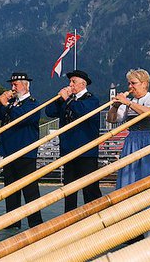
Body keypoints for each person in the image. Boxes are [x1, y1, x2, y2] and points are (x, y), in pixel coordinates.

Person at [0, 72, 43, 229]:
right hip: (9, 152)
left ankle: (35, 223)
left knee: (30, 190)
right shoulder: (10, 103)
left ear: (25, 86)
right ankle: (12, 222)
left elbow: (23, 118)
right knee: (10, 190)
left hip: (25, 153)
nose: (12, 87)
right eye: (12, 85)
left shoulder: (32, 103)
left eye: (15, 85)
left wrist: (7, 105)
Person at [45, 70, 101, 213]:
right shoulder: (67, 100)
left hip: (86, 151)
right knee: (69, 189)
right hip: (68, 150)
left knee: (90, 189)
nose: (70, 85)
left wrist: (67, 100)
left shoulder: (91, 100)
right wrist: (59, 98)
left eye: (73, 82)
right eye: (70, 82)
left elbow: (81, 111)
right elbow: (49, 112)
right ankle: (69, 219)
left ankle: (97, 217)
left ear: (83, 84)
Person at [107, 68, 150, 189]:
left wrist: (128, 103)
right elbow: (112, 120)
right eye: (129, 83)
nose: (130, 86)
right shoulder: (130, 101)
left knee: (149, 173)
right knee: (129, 175)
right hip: (132, 141)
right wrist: (115, 106)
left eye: (133, 83)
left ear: (144, 84)